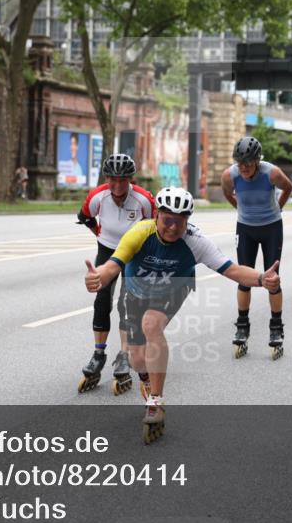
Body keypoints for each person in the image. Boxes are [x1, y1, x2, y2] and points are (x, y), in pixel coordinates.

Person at [85, 187, 280, 443]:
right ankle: (145, 378)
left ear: (188, 220)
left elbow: (231, 270)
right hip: (134, 292)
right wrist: (99, 276)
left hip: (172, 290)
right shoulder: (139, 233)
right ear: (157, 217)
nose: (173, 228)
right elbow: (113, 265)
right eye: (168, 220)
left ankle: (155, 400)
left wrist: (260, 279)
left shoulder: (195, 241)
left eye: (180, 221)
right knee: (135, 359)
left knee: (151, 324)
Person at [75, 154, 155, 395]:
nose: (117, 186)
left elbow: (155, 228)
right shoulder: (97, 196)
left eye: (123, 180)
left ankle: (124, 354)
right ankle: (98, 354)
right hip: (108, 250)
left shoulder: (143, 199)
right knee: (101, 300)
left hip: (134, 253)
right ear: (106, 179)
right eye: (112, 180)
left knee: (127, 304)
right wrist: (99, 233)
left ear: (131, 179)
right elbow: (85, 217)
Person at [220, 136, 292, 359]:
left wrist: (277, 209)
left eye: (248, 163)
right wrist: (241, 209)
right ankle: (242, 326)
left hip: (271, 227)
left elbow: (288, 188)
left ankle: (276, 328)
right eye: (240, 163)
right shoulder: (229, 175)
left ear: (257, 161)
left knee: (272, 279)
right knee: (244, 278)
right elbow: (227, 193)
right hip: (245, 228)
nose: (243, 168)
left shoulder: (271, 173)